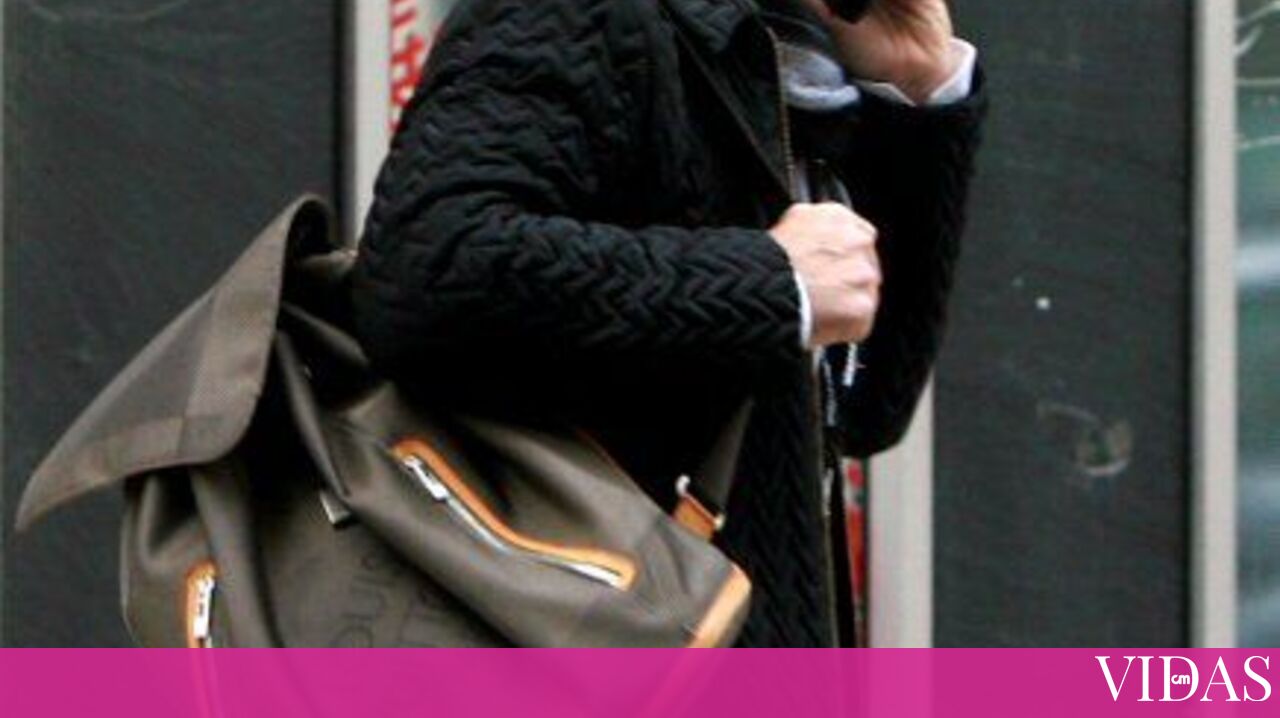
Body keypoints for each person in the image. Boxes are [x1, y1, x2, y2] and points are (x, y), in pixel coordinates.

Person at [351, 0, 985, 647]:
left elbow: (864, 408)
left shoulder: (795, 58)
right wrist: (771, 283)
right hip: (597, 647)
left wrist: (916, 86)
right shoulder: (583, 14)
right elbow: (432, 265)